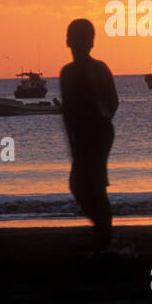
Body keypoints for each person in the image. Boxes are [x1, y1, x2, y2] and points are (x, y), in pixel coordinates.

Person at [59, 19, 121, 252]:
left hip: (94, 131)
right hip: (95, 131)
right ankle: (103, 231)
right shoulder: (78, 70)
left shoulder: (79, 71)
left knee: (87, 183)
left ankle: (104, 234)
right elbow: (112, 102)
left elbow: (110, 102)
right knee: (89, 183)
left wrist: (98, 122)